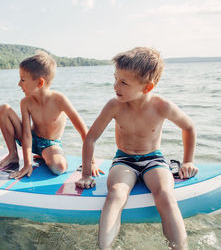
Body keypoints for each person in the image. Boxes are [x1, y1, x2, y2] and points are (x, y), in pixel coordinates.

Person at [75, 47, 198, 249]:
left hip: (154, 159)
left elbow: (189, 127)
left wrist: (188, 161)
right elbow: (91, 138)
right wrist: (86, 173)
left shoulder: (162, 106)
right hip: (124, 160)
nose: (116, 85)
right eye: (115, 78)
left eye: (123, 82)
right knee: (116, 193)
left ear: (147, 87)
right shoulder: (114, 105)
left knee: (165, 194)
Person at [0, 51, 88, 178]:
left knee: (59, 167)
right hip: (30, 139)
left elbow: (83, 130)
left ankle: (44, 155)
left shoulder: (59, 100)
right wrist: (27, 164)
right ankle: (13, 155)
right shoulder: (26, 102)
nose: (19, 84)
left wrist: (90, 162)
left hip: (49, 144)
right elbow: (27, 135)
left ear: (40, 83)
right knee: (3, 109)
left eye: (22, 80)